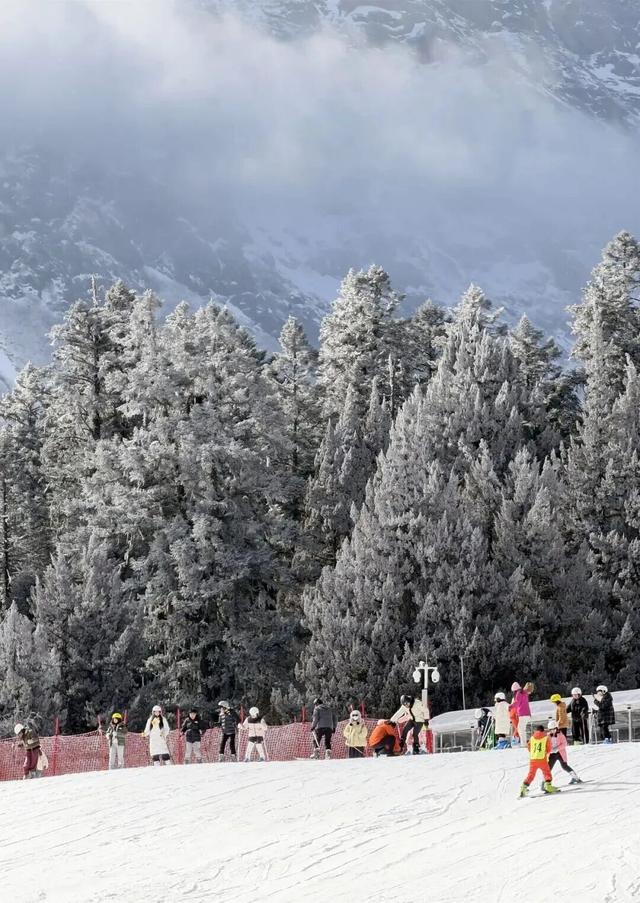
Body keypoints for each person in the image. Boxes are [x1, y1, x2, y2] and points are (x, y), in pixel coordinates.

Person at [519, 724, 559, 797]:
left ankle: (523, 788)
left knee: (531, 774)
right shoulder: (546, 737)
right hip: (542, 759)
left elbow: (529, 747)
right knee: (547, 773)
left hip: (533, 759)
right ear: (543, 730)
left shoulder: (532, 738)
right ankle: (548, 786)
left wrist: (534, 753)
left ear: (536, 730)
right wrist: (545, 752)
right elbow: (549, 749)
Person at [546, 720, 581, 785]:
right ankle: (545, 782)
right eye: (551, 730)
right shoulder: (548, 736)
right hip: (552, 754)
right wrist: (550, 750)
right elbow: (546, 745)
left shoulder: (560, 735)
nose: (552, 731)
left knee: (564, 766)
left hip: (560, 753)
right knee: (548, 768)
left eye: (554, 729)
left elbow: (564, 743)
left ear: (556, 728)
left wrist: (557, 748)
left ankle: (575, 777)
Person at [511, 681, 534, 746]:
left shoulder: (519, 693)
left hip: (523, 714)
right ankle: (523, 743)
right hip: (526, 714)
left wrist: (510, 706)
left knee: (520, 729)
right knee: (521, 728)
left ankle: (523, 743)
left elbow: (517, 702)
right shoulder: (524, 693)